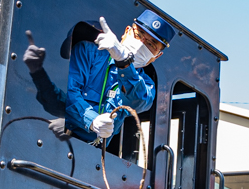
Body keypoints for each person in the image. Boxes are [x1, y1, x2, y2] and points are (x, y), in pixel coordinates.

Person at [63, 10, 171, 144]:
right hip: (60, 138)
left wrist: (123, 61)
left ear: (156, 56)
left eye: (151, 44)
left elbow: (137, 100)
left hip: (93, 154)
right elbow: (69, 92)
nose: (141, 43)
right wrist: (92, 120)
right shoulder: (89, 51)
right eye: (139, 34)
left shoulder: (147, 86)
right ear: (127, 32)